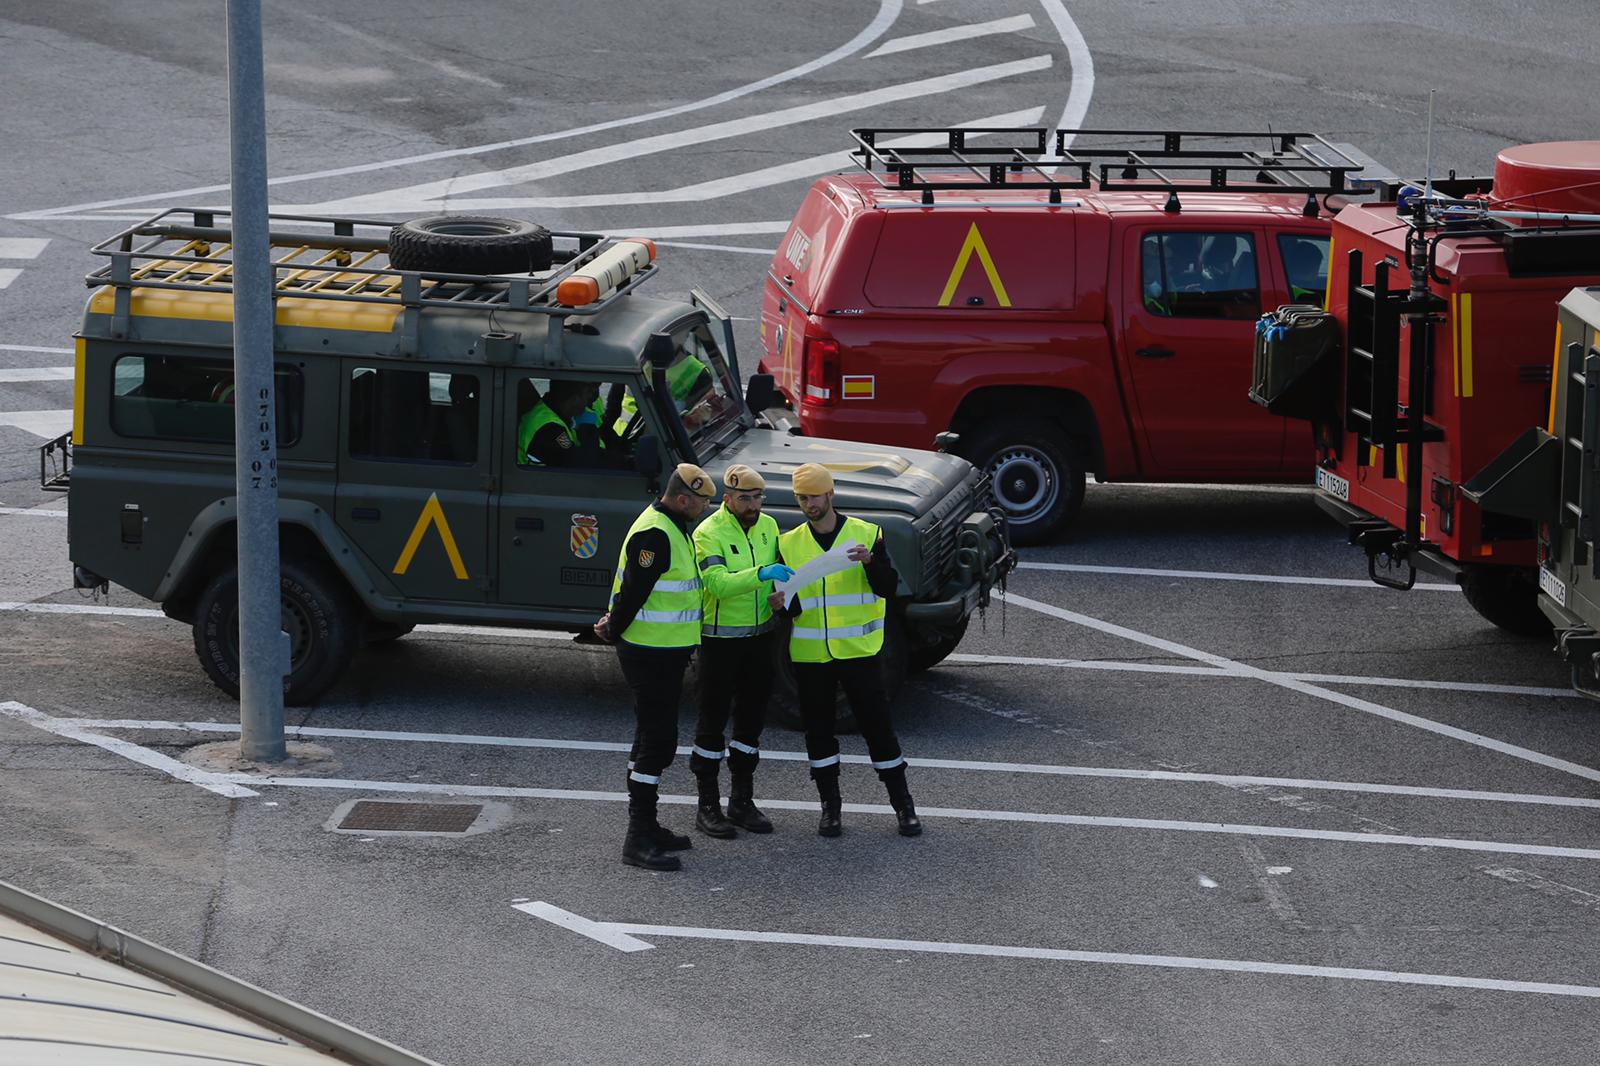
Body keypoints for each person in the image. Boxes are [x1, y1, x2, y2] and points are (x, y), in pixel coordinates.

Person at [769, 462, 920, 838]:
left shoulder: (866, 534)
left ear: (830, 494)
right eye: (802, 498)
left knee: (878, 728)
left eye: (814, 497)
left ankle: (903, 806)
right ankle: (830, 809)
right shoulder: (788, 543)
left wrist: (871, 563)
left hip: (858, 651)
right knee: (818, 732)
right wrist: (781, 603)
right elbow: (796, 607)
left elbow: (888, 588)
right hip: (810, 656)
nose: (808, 505)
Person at [594, 463, 717, 871]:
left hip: (665, 650)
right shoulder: (656, 533)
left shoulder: (672, 525)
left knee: (648, 737)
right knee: (658, 744)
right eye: (701, 502)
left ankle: (648, 827)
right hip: (648, 652)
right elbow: (633, 592)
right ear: (683, 499)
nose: (705, 509)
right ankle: (638, 837)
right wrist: (614, 629)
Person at [689, 464, 794, 838]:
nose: (753, 505)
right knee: (711, 724)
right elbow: (716, 584)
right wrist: (763, 575)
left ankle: (741, 802)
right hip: (719, 643)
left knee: (751, 723)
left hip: (760, 638)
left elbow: (779, 572)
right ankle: (707, 806)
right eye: (745, 498)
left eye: (757, 497)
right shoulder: (709, 532)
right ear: (728, 499)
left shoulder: (768, 526)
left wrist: (780, 594)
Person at [519, 378, 619, 467]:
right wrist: (588, 429)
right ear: (574, 400)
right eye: (585, 397)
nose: (587, 402)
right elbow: (583, 465)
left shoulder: (556, 412)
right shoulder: (549, 428)